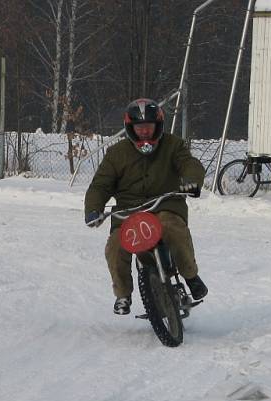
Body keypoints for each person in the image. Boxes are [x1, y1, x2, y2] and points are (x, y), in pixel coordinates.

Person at [84, 98, 207, 315]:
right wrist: (93, 209)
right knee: (115, 244)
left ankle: (190, 276)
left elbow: (190, 164)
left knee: (171, 227)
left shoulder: (173, 145)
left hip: (165, 203)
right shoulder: (116, 154)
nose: (144, 132)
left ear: (158, 126)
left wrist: (191, 181)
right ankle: (123, 294)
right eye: (139, 127)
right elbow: (101, 185)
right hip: (128, 211)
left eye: (148, 127)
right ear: (130, 128)